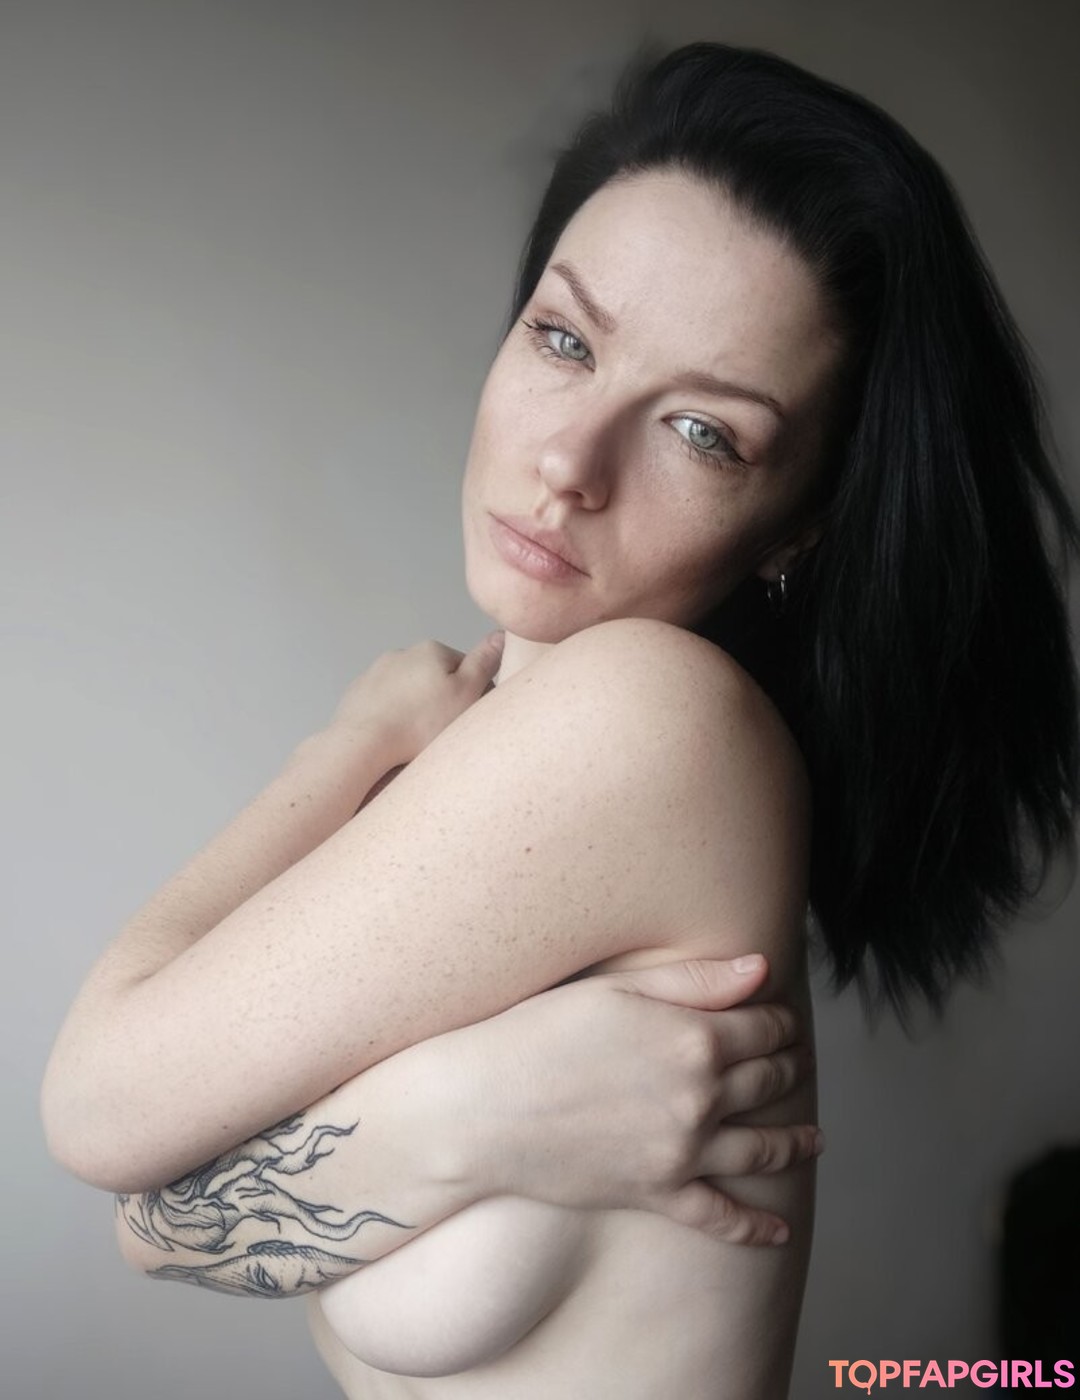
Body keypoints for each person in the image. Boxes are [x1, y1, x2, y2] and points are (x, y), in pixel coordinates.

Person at [41, 38, 1078, 1400]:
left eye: (702, 432)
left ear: (800, 526)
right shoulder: (508, 769)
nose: (569, 461)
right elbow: (148, 1209)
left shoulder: (655, 722)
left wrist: (341, 750)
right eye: (566, 338)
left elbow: (100, 1107)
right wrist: (470, 1121)